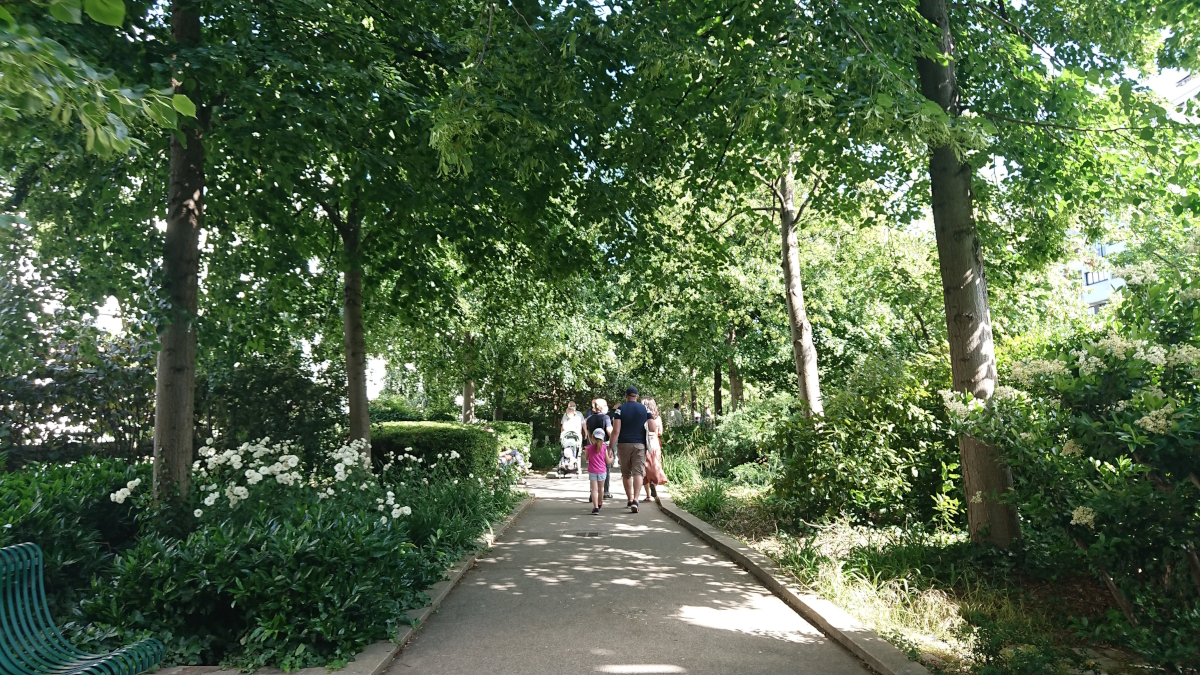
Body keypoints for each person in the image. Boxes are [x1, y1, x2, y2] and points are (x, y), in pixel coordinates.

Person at [610, 385, 650, 513]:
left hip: (623, 444)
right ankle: (636, 500)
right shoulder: (645, 409)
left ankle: (630, 499)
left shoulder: (620, 410)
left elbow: (616, 431)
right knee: (638, 472)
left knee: (626, 473)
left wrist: (610, 447)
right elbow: (653, 427)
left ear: (626, 396)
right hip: (640, 445)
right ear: (637, 396)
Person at [587, 399, 614, 498]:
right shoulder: (605, 417)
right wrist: (613, 440)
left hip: (593, 445)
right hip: (604, 445)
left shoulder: (589, 419)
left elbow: (589, 433)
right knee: (605, 468)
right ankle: (605, 492)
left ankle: (592, 492)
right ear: (602, 407)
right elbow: (609, 431)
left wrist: (592, 442)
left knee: (593, 468)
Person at [642, 399, 668, 501]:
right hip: (655, 442)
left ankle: (648, 495)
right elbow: (660, 432)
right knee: (655, 465)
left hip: (644, 441)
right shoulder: (658, 418)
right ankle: (654, 484)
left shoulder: (642, 417)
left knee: (645, 467)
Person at [585, 428, 612, 514]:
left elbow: (586, 459)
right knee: (601, 489)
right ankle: (600, 504)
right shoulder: (604, 448)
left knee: (594, 490)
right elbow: (607, 461)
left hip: (592, 471)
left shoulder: (588, 448)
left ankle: (595, 507)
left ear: (592, 437)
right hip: (602, 471)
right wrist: (612, 458)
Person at [561, 401, 585, 475]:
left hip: (575, 437)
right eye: (568, 412)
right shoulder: (565, 419)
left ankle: (577, 466)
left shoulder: (578, 418)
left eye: (570, 412)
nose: (569, 414)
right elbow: (563, 428)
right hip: (567, 438)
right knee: (565, 449)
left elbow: (580, 427)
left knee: (577, 452)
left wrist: (584, 433)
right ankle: (565, 462)